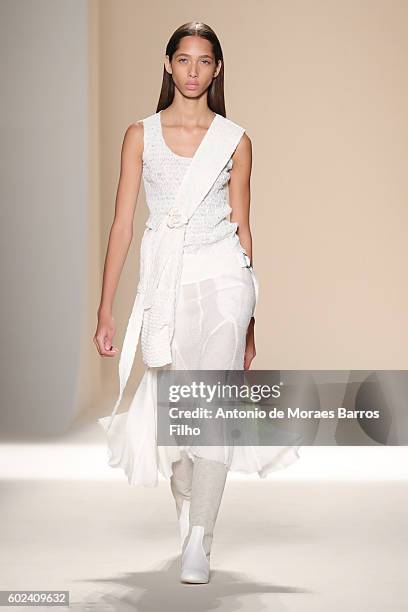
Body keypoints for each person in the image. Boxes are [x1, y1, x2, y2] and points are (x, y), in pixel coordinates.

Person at [94, 21, 300, 584]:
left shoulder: (235, 140)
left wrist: (251, 321)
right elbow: (122, 225)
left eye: (203, 61)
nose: (192, 70)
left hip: (225, 277)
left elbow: (244, 227)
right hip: (168, 281)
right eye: (183, 59)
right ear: (167, 65)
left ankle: (200, 539)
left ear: (217, 69)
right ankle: (189, 517)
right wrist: (106, 307)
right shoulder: (140, 135)